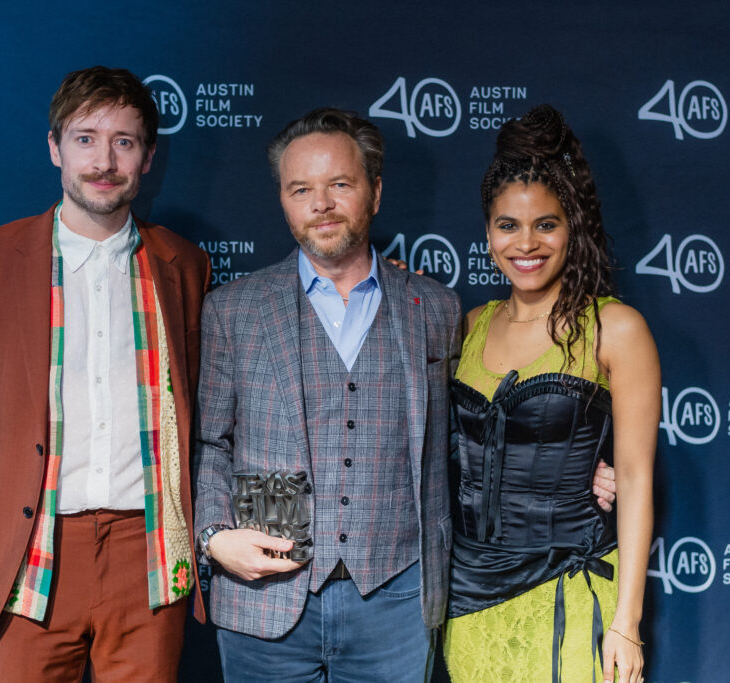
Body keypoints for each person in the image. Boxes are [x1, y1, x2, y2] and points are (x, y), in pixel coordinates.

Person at [191, 107, 617, 682]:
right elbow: (209, 442)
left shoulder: (436, 309)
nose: (321, 204)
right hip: (264, 597)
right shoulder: (232, 309)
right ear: (284, 198)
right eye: (301, 189)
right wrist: (215, 537)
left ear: (375, 192)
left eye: (340, 184)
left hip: (395, 603)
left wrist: (565, 471)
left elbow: (471, 428)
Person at [0, 66, 210, 682]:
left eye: (124, 142)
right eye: (85, 138)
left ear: (148, 157)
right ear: (54, 148)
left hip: (150, 556)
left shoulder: (185, 263)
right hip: (26, 557)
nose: (103, 160)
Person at [443, 104, 658, 683]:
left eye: (547, 223)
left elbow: (636, 479)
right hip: (467, 603)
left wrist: (627, 623)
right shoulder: (466, 326)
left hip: (572, 592)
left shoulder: (616, 329)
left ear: (573, 228)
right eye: (508, 225)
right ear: (487, 232)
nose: (526, 243)